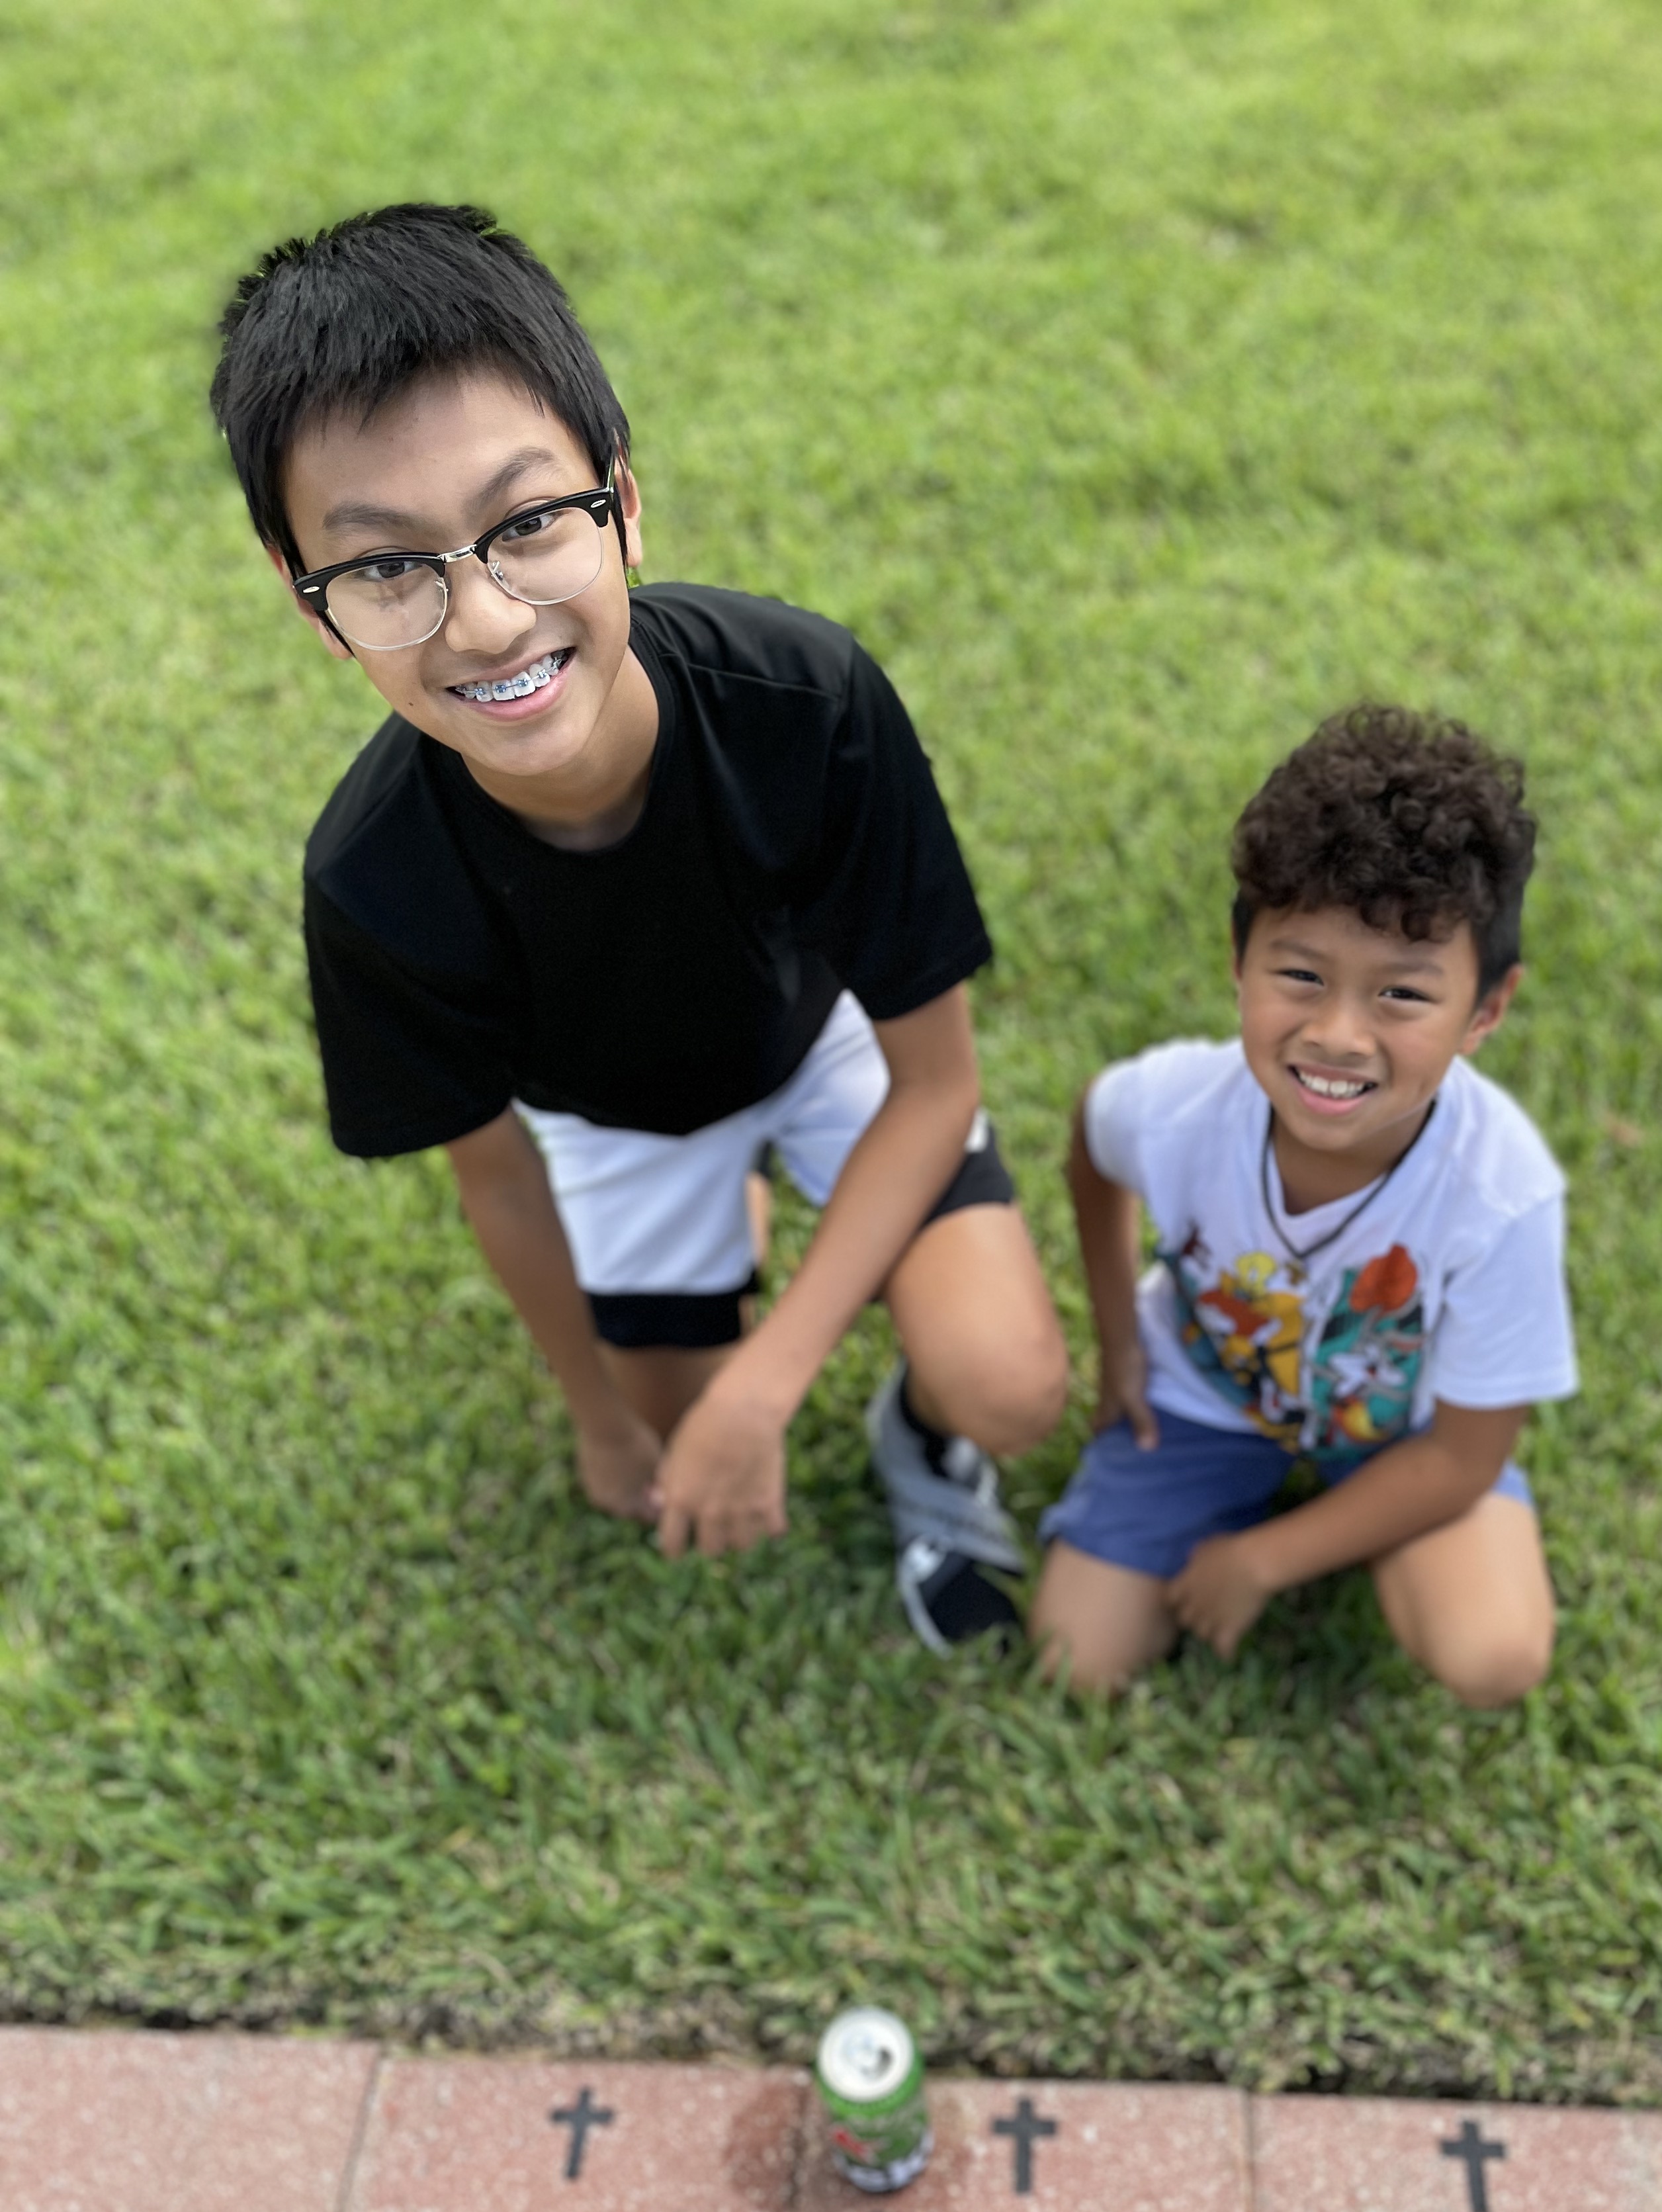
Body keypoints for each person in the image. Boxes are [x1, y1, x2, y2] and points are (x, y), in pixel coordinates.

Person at [208, 203, 1067, 1651]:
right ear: (317, 611)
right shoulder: (372, 881)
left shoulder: (805, 700)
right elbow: (500, 1183)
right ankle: (715, 1228)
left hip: (826, 1056)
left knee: (1011, 1387)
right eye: (387, 567)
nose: (485, 621)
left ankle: (906, 1421)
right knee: (667, 1442)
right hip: (617, 1124)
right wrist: (604, 1418)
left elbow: (935, 1086)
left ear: (622, 502)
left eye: (527, 523)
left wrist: (769, 1387)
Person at [1031, 703, 1577, 1701]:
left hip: (1401, 1438)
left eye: (1402, 994)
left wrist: (1261, 1562)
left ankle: (1335, 1530)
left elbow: (1462, 1458)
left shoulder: (1502, 1195)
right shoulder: (1174, 1108)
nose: (1338, 1035)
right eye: (1299, 974)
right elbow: (1092, 1148)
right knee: (1079, 1661)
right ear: (1238, 962)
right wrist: (1118, 1342)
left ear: (1486, 1010)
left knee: (1493, 1656)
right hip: (1201, 1400)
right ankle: (1239, 1492)